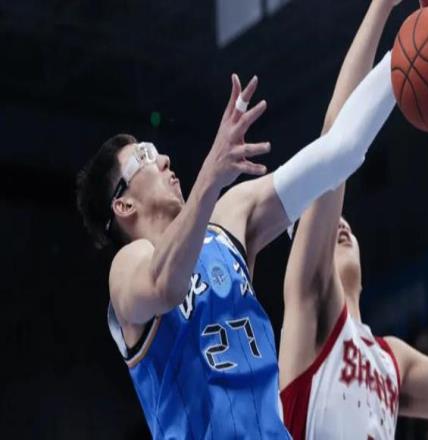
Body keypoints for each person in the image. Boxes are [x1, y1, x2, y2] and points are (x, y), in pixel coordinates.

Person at [76, 25, 396, 437]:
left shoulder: (230, 219)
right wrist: (211, 175)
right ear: (123, 205)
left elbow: (338, 152)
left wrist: (404, 53)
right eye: (145, 156)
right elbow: (165, 285)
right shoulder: (128, 266)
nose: (164, 159)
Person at [277, 1, 428, 439]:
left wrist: (427, 34)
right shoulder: (309, 304)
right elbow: (335, 143)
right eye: (317, 225)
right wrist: (383, 9)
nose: (338, 225)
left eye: (340, 220)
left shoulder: (391, 361)